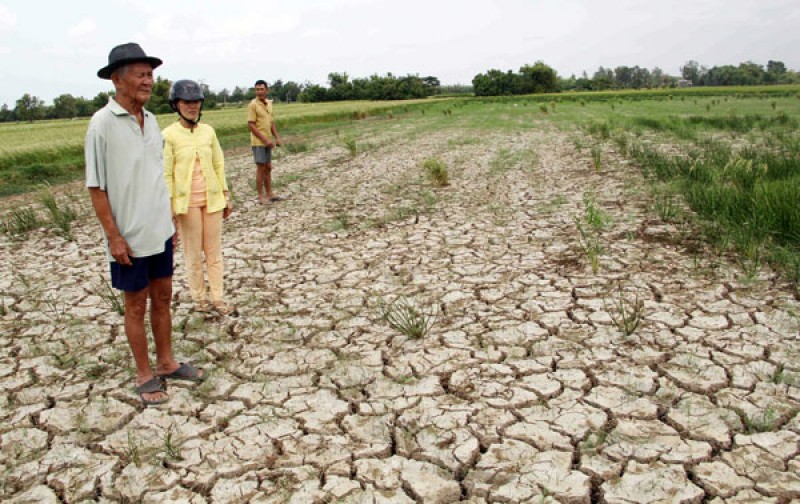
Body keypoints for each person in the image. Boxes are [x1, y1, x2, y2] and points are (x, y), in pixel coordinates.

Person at [85, 43, 204, 407]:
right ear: (117, 80)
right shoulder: (102, 124)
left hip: (159, 231)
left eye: (150, 74)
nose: (148, 81)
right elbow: (97, 187)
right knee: (135, 305)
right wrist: (114, 237)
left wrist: (167, 211)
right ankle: (143, 373)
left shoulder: (151, 121)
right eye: (140, 74)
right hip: (130, 239)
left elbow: (154, 174)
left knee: (164, 298)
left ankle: (167, 362)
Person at [163, 79, 235, 315]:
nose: (192, 107)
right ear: (176, 105)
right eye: (186, 102)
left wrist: (225, 194)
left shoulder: (208, 132)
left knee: (213, 253)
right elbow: (167, 173)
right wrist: (171, 206)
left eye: (196, 102)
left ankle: (218, 298)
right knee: (193, 254)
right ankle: (199, 299)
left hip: (212, 200)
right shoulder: (169, 135)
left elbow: (218, 163)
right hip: (187, 204)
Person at [247, 79, 283, 204]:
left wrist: (276, 137)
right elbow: (251, 125)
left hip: (268, 141)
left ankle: (270, 193)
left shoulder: (269, 103)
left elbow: (271, 122)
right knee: (261, 168)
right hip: (259, 142)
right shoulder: (253, 105)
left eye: (262, 89)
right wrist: (265, 140)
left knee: (268, 167)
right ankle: (261, 196)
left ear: (267, 90)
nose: (259, 91)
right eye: (257, 89)